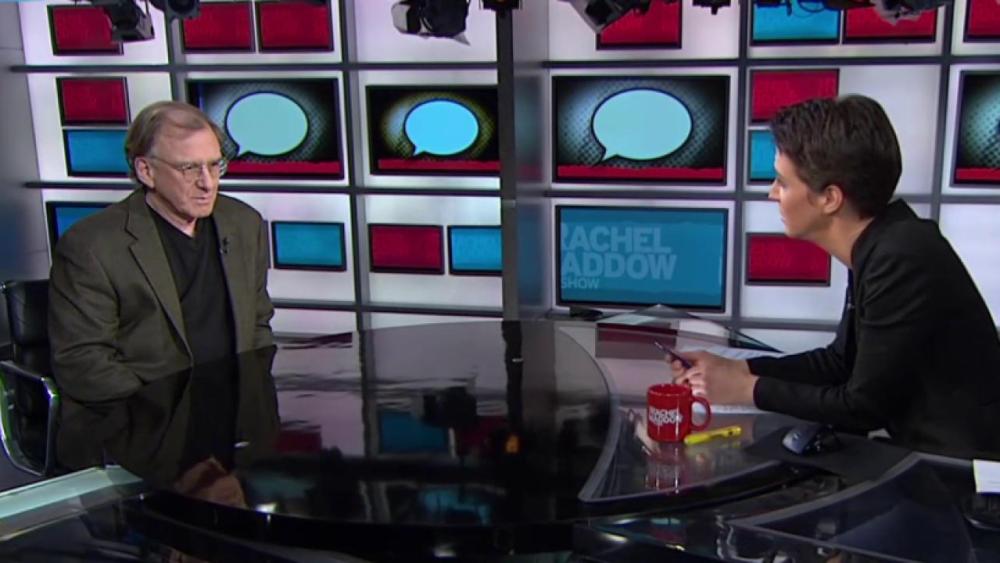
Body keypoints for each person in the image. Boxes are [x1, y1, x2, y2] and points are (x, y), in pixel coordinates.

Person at [671, 95, 1000, 458]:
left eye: (783, 182)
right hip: (925, 460)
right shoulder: (885, 242)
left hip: (959, 475)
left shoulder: (901, 255)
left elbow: (862, 407)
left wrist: (746, 388)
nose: (772, 193)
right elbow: (840, 363)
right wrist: (736, 368)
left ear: (830, 198)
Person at [49, 101, 274, 403]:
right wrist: (169, 415)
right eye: (189, 168)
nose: (208, 183)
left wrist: (255, 401)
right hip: (141, 416)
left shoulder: (244, 223)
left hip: (236, 409)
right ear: (146, 171)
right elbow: (83, 362)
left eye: (214, 165)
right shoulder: (92, 246)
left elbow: (258, 324)